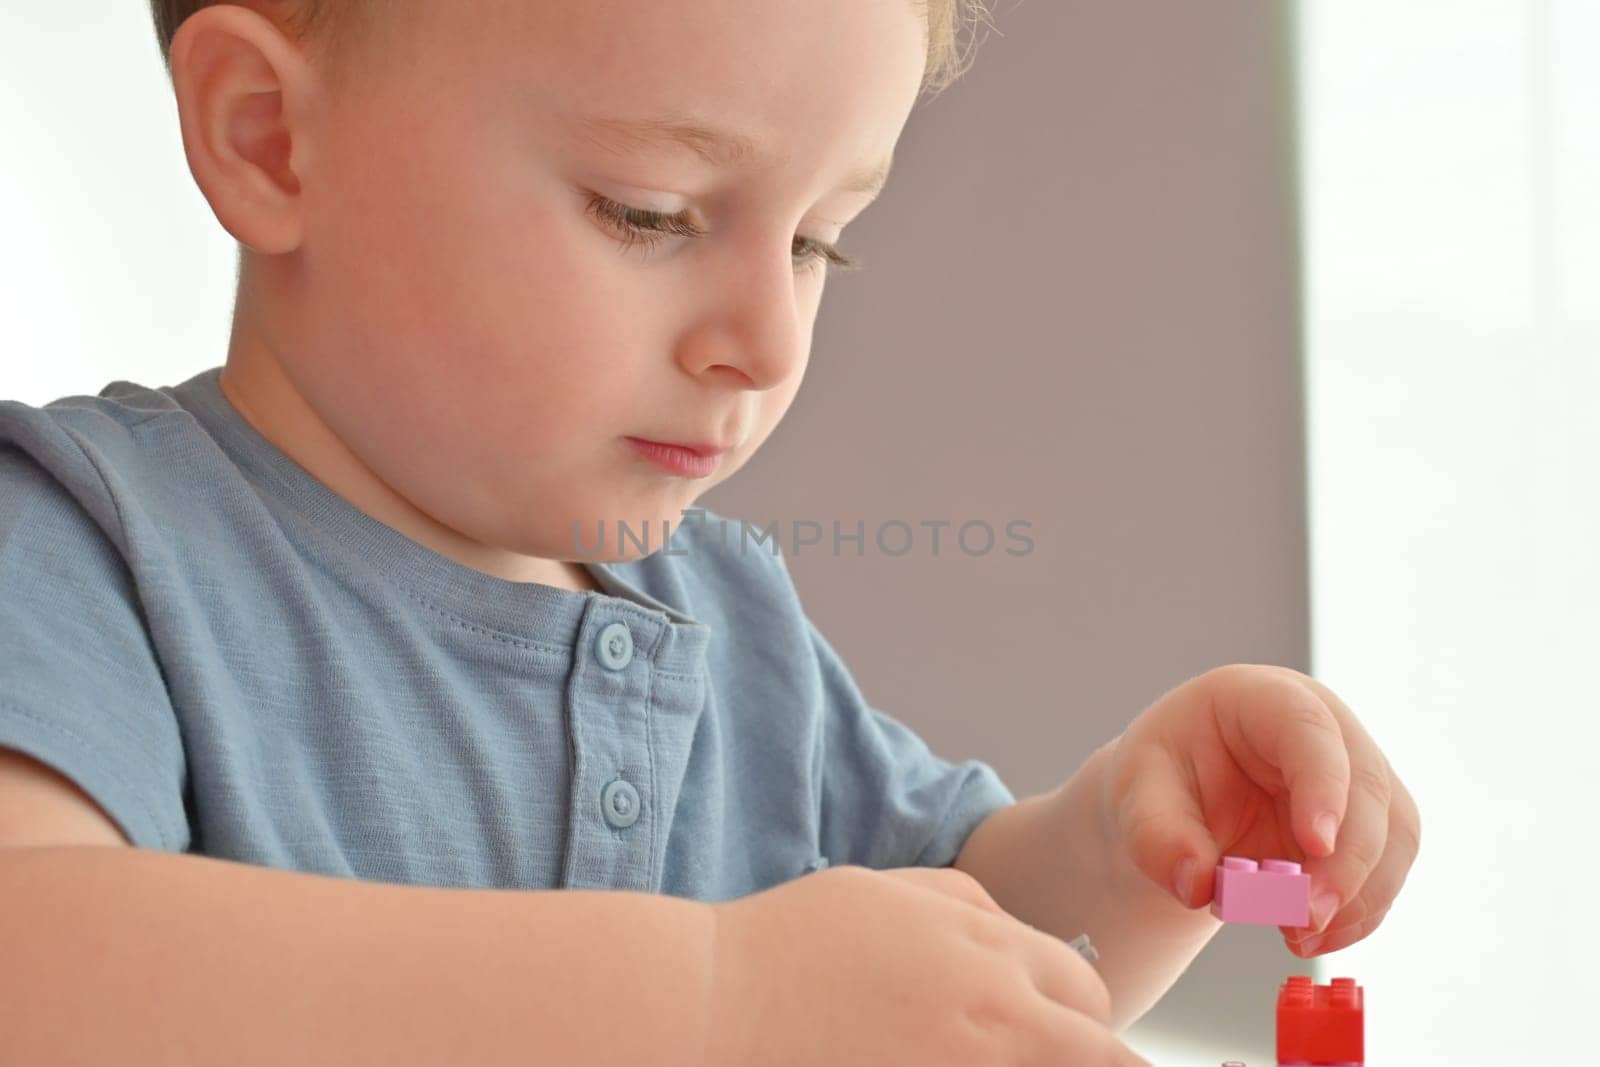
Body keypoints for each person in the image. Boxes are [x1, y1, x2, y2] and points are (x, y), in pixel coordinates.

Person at [0, 1, 1420, 1064]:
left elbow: (965, 971)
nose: (766, 339)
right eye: (653, 214)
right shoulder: (87, 547)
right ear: (270, 136)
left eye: (817, 242)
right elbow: (38, 965)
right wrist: (712, 998)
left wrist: (1129, 839)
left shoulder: (730, 625)